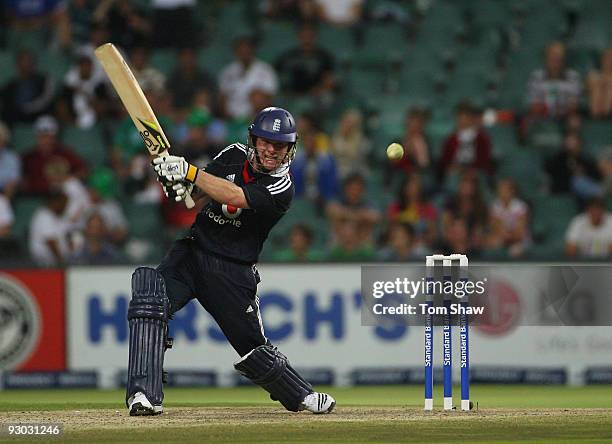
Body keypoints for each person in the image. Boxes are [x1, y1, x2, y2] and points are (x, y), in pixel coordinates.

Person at [125, 107, 335, 416]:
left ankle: (301, 395)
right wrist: (175, 183)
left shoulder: (282, 187)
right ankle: (143, 395)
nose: (271, 150)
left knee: (254, 348)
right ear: (253, 139)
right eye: (265, 141)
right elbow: (192, 197)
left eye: (280, 145)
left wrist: (189, 171)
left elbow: (235, 196)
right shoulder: (232, 154)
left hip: (232, 270)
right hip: (192, 254)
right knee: (149, 303)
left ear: (291, 148)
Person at [586, 47, 612, 119]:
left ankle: (605, 116)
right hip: (595, 109)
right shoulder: (593, 74)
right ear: (603, 59)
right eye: (608, 57)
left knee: (609, 88)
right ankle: (597, 117)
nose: (610, 61)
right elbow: (588, 84)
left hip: (608, 107)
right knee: (597, 87)